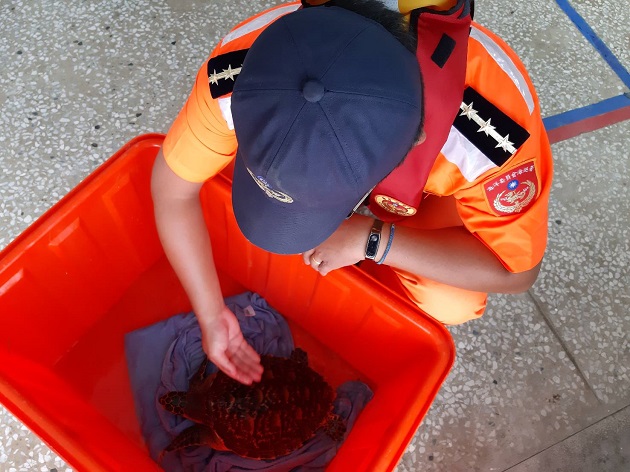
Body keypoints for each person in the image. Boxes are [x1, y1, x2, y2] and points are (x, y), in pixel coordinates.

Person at [151, 0, 552, 385]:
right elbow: (172, 190)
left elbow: (515, 271)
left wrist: (371, 239)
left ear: (416, 141)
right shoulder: (240, 72)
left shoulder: (492, 132)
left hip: (431, 194)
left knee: (450, 300)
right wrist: (211, 315)